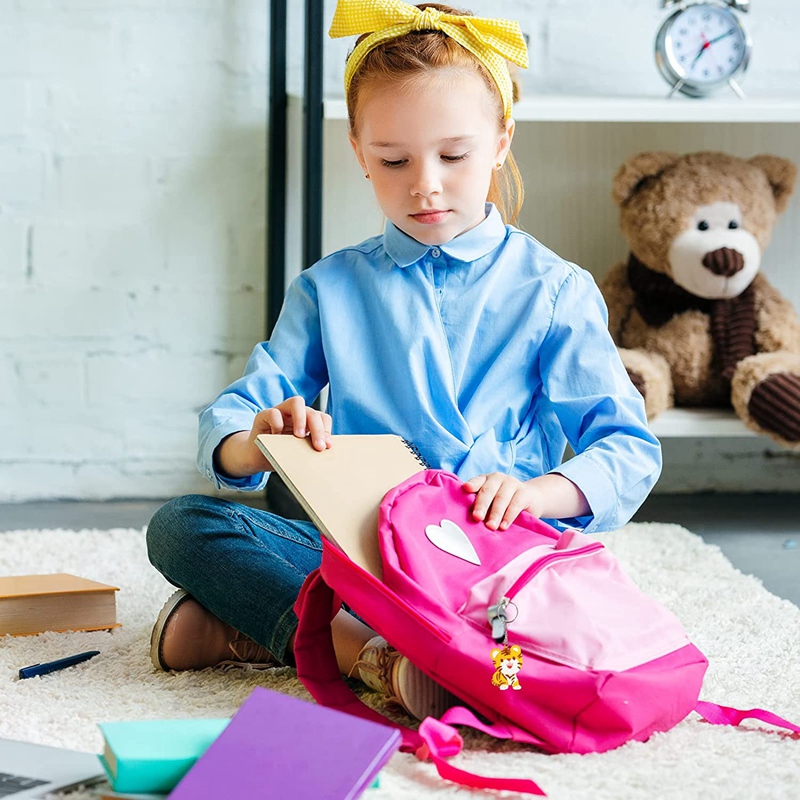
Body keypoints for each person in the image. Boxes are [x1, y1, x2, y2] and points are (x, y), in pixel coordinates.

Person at [145, 0, 662, 721]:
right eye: (394, 160)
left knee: (547, 635)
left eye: (454, 156)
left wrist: (538, 494)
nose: (425, 184)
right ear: (359, 152)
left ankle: (272, 633)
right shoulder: (330, 288)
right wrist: (256, 438)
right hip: (366, 557)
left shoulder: (555, 290)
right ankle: (376, 656)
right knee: (181, 525)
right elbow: (234, 416)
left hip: (494, 561)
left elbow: (628, 448)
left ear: (501, 142)